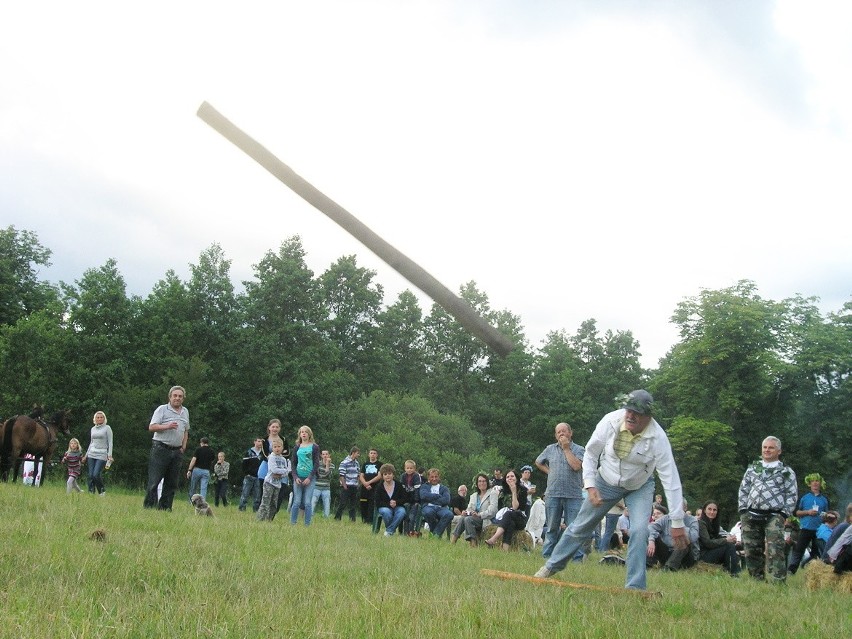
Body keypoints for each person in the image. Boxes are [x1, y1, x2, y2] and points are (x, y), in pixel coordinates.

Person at [533, 390, 687, 591]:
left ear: (648, 417)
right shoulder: (611, 421)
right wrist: (590, 485)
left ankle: (634, 587)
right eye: (629, 410)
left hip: (639, 485)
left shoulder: (658, 438)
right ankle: (550, 567)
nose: (631, 415)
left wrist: (677, 521)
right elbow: (591, 453)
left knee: (640, 531)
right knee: (580, 525)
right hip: (605, 480)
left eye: (637, 413)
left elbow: (671, 479)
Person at [737, 436, 798, 584]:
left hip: (774, 515)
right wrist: (743, 509)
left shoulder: (786, 471)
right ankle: (756, 580)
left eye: (771, 448)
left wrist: (784, 513)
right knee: (751, 550)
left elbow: (792, 494)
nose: (767, 450)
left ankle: (778, 582)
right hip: (750, 514)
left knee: (775, 550)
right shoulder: (753, 468)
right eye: (764, 447)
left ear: (779, 451)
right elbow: (743, 489)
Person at [535, 422, 584, 559]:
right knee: (551, 528)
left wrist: (566, 449)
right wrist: (549, 472)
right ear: (555, 435)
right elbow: (538, 461)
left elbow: (576, 466)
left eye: (564, 431)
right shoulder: (549, 449)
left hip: (573, 495)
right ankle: (547, 556)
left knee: (574, 528)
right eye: (558, 432)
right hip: (553, 494)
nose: (561, 434)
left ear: (570, 433)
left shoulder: (579, 449)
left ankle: (576, 558)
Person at [144, 386, 190, 511]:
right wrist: (167, 426)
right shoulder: (162, 410)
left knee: (172, 482)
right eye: (175, 395)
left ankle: (165, 508)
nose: (177, 398)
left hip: (177, 451)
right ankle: (149, 507)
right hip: (161, 448)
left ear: (183, 398)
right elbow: (152, 427)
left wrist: (184, 445)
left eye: (180, 396)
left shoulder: (185, 411)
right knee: (155, 480)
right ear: (170, 397)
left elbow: (186, 430)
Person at [788, 472, 830, 574]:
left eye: (817, 481)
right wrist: (808, 512)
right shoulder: (804, 497)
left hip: (819, 530)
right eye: (812, 481)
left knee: (816, 552)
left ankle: (813, 569)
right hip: (806, 528)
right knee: (799, 550)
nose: (815, 483)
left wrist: (824, 515)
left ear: (820, 483)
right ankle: (791, 570)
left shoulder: (825, 499)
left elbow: (827, 514)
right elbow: (796, 512)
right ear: (809, 484)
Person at [647, 503, 699, 571]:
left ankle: (669, 568)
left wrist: (680, 528)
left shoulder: (692, 520)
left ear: (685, 508)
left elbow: (694, 537)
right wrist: (651, 540)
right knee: (653, 537)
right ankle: (646, 564)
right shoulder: (665, 518)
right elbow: (651, 527)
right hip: (668, 552)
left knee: (683, 539)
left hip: (685, 556)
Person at [485, 468, 529, 551]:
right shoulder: (503, 492)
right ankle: (505, 550)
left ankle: (494, 538)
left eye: (512, 476)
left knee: (509, 513)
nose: (510, 478)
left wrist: (514, 492)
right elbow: (500, 509)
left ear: (516, 478)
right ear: (505, 479)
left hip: (520, 519)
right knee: (510, 524)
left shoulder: (523, 490)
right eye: (508, 477)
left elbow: (516, 507)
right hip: (507, 519)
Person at [451, 473, 499, 546]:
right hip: (473, 518)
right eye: (479, 481)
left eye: (484, 481)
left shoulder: (493, 493)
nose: (482, 483)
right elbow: (469, 508)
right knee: (463, 517)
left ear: (487, 482)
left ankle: (473, 543)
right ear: (477, 483)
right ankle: (453, 540)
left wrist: (479, 515)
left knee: (468, 519)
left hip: (485, 519)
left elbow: (493, 511)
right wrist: (465, 512)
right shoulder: (474, 495)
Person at [258, 419, 291, 518]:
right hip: (266, 466)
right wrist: (274, 460)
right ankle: (262, 515)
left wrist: (278, 457)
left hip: (281, 465)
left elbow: (287, 453)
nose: (275, 429)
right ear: (269, 427)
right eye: (273, 427)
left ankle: (271, 515)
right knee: (265, 494)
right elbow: (264, 454)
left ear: (279, 428)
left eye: (277, 427)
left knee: (279, 494)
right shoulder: (264, 440)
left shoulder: (283, 439)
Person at [698, 501, 741, 576]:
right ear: (704, 510)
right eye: (709, 509)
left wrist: (729, 538)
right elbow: (708, 543)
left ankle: (732, 572)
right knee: (728, 545)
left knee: (729, 544)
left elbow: (717, 538)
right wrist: (726, 540)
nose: (712, 512)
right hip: (703, 556)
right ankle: (735, 573)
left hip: (711, 552)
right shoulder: (701, 523)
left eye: (714, 510)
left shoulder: (714, 524)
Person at [290, 425, 320, 526]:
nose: (303, 433)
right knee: (297, 501)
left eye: (305, 432)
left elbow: (316, 463)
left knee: (307, 502)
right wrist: (295, 477)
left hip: (310, 477)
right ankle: (293, 523)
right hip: (298, 476)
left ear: (309, 434)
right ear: (299, 434)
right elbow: (293, 463)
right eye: (301, 432)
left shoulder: (314, 447)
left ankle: (307, 524)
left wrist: (309, 477)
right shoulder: (297, 447)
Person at [82, 410, 113, 496]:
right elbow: (91, 442)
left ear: (104, 419)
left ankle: (102, 491)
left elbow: (110, 442)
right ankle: (91, 492)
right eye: (98, 417)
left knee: (96, 474)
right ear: (95, 419)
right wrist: (86, 455)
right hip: (92, 453)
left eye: (101, 417)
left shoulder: (107, 428)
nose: (99, 419)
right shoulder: (93, 429)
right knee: (90, 475)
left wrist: (109, 455)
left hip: (102, 454)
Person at [374, 463, 408, 536]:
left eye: (389, 473)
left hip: (398, 506)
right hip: (384, 507)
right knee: (387, 512)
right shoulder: (379, 487)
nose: (387, 476)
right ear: (382, 476)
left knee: (402, 512)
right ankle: (391, 530)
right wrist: (388, 504)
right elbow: (377, 501)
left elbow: (404, 498)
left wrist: (396, 502)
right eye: (385, 474)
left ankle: (389, 531)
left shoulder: (399, 485)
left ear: (393, 475)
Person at [419, 468, 453, 538]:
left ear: (439, 477)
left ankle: (435, 534)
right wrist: (437, 496)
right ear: (428, 477)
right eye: (432, 477)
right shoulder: (424, 486)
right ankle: (435, 534)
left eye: (436, 476)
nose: (434, 479)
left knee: (449, 514)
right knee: (428, 513)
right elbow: (423, 496)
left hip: (441, 508)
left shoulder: (444, 488)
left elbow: (446, 500)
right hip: (428, 507)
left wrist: (430, 499)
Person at [335, 446, 361, 522]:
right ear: (353, 453)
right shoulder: (344, 462)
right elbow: (341, 475)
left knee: (353, 504)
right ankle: (337, 517)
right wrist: (344, 485)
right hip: (346, 485)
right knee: (343, 503)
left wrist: (358, 483)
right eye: (357, 453)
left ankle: (352, 519)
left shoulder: (357, 463)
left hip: (354, 485)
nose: (358, 455)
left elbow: (358, 474)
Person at [186, 437, 216, 502]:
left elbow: (194, 460)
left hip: (197, 470)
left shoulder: (198, 450)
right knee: (203, 488)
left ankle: (191, 501)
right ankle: (202, 502)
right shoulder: (212, 451)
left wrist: (189, 469)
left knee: (193, 487)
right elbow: (212, 461)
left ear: (202, 443)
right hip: (206, 471)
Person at [238, 437, 265, 511]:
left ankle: (256, 509)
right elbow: (244, 464)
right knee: (245, 493)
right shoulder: (249, 452)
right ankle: (242, 508)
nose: (260, 443)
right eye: (258, 441)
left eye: (261, 442)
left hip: (259, 477)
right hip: (249, 476)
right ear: (255, 442)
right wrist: (246, 473)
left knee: (257, 495)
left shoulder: (263, 453)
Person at [359, 448, 383, 524]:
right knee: (363, 502)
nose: (372, 454)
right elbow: (361, 475)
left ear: (377, 455)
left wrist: (369, 482)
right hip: (365, 487)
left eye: (374, 453)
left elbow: (379, 476)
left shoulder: (380, 464)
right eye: (371, 453)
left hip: (375, 487)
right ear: (369, 454)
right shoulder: (365, 464)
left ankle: (370, 520)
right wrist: (365, 483)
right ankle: (364, 519)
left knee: (372, 503)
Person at [400, 460, 423, 536]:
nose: (409, 470)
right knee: (405, 516)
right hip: (405, 499)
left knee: (412, 516)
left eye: (411, 468)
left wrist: (416, 500)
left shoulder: (416, 476)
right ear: (405, 468)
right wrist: (403, 500)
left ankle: (411, 531)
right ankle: (405, 532)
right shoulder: (403, 476)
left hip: (414, 499)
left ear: (414, 469)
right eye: (407, 468)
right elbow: (402, 489)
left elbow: (417, 489)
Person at [311, 450, 335, 518]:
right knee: (313, 502)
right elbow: (316, 475)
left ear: (329, 455)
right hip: (316, 486)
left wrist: (327, 464)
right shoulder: (317, 464)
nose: (325, 456)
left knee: (327, 503)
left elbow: (329, 476)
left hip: (326, 487)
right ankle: (310, 516)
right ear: (321, 456)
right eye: (323, 454)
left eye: (326, 454)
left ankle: (326, 517)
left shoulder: (332, 465)